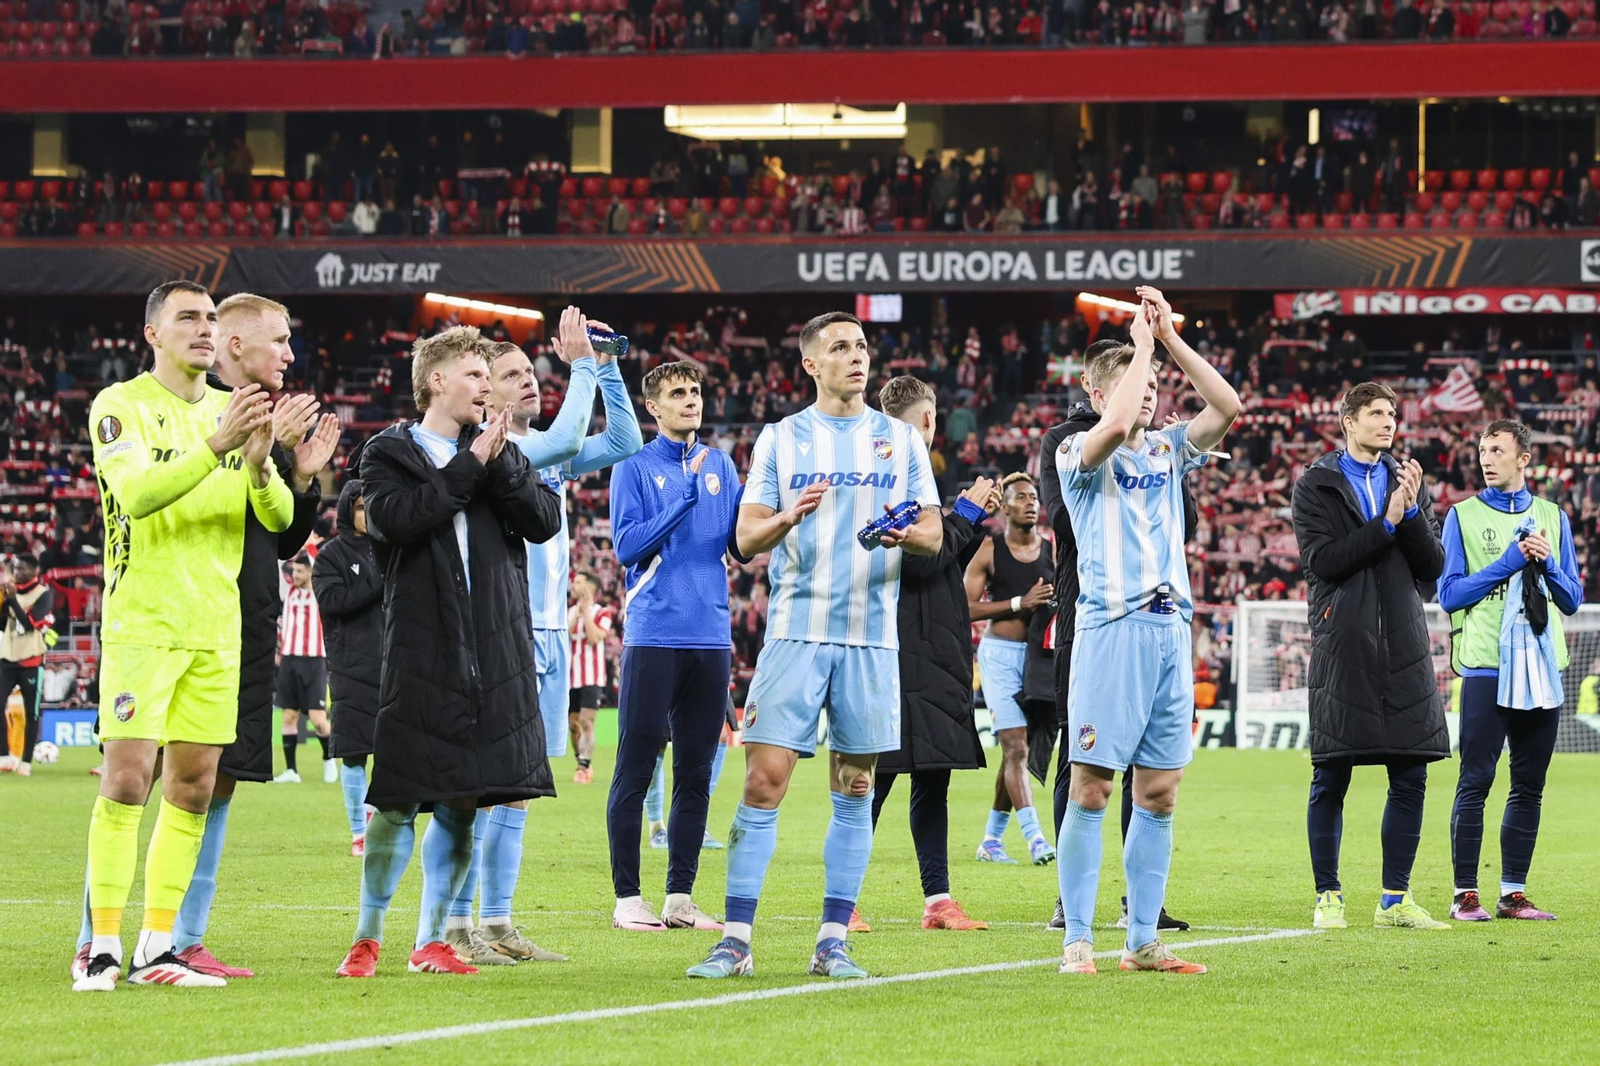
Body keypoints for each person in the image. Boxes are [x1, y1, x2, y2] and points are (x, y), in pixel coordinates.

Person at [72, 293, 335, 982]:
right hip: (145, 625)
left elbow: (276, 519)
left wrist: (263, 464)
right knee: (127, 781)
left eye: (211, 320)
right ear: (153, 332)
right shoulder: (119, 404)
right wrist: (219, 443)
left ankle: (159, 946)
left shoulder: (233, 413)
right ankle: (99, 946)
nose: (203, 330)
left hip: (219, 631)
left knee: (194, 787)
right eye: (190, 319)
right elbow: (133, 494)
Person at [687, 311, 943, 981]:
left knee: (855, 787)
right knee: (764, 781)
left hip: (869, 638)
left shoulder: (901, 440)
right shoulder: (782, 438)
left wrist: (902, 535)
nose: (855, 356)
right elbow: (744, 541)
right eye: (839, 347)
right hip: (797, 632)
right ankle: (735, 940)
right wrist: (787, 516)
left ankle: (833, 940)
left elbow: (935, 535)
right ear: (811, 364)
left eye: (860, 346)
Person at [335, 326, 563, 979]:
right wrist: (473, 466)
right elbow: (401, 519)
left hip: (493, 654)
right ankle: (368, 935)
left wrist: (502, 462)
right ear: (436, 380)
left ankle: (433, 939)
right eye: (473, 375)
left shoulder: (497, 450)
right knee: (399, 800)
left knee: (465, 801)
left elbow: (544, 520)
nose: (485, 388)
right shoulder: (387, 453)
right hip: (420, 652)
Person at [441, 311, 639, 967]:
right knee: (486, 784)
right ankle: (454, 923)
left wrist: (605, 369)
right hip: (504, 633)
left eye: (532, 371)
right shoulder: (500, 451)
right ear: (483, 392)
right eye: (512, 375)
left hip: (552, 636)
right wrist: (581, 364)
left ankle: (496, 922)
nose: (530, 381)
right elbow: (572, 438)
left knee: (521, 786)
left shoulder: (547, 448)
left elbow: (624, 441)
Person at [1053, 285, 1238, 977]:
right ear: (1099, 394)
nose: (1153, 393)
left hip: (1170, 630)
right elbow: (1117, 419)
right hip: (1112, 627)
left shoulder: (1168, 450)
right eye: (1140, 383)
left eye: (1158, 383)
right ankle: (1077, 938)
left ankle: (1140, 941)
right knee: (1092, 786)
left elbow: (1227, 407)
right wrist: (1139, 346)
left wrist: (1170, 342)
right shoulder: (1078, 452)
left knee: (1159, 793)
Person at [1291, 381, 1449, 932]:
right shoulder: (1317, 484)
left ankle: (1395, 900)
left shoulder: (1408, 480)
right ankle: (1328, 896)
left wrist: (1408, 515)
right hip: (1343, 645)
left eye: (1393, 414)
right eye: (1377, 413)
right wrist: (1386, 521)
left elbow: (1431, 565)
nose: (1389, 422)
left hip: (1404, 644)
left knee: (1411, 774)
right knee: (1331, 774)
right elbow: (1325, 561)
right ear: (1348, 420)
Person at [606, 360, 746, 932]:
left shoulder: (724, 466)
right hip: (653, 635)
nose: (691, 401)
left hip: (711, 637)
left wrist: (784, 518)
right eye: (677, 394)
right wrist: (682, 501)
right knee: (635, 769)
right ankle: (627, 899)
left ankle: (680, 897)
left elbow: (738, 544)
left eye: (695, 392)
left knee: (696, 771)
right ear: (653, 408)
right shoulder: (634, 468)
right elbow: (625, 545)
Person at [1440, 420, 1580, 922]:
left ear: (1524, 458)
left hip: (1542, 666)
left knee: (1529, 784)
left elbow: (1573, 600)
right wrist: (1508, 562)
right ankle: (1464, 894)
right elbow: (1450, 594)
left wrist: (1549, 565)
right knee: (1475, 779)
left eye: (1497, 450)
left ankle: (1513, 893)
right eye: (1482, 450)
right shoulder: (1462, 516)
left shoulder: (1553, 517)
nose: (1486, 458)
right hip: (1486, 665)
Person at [874, 375, 997, 932]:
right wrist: (967, 514)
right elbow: (919, 560)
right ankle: (843, 901)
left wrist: (964, 522)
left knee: (933, 778)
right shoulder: (886, 479)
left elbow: (939, 558)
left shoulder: (916, 483)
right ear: (927, 421)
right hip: (896, 647)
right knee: (871, 778)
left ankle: (937, 900)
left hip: (935, 645)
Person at [966, 473, 1056, 866]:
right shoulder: (989, 550)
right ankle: (1036, 838)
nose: (1030, 503)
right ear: (1004, 507)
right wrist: (1020, 602)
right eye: (1021, 497)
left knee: (1016, 752)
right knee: (1016, 746)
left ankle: (990, 840)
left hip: (1039, 659)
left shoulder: (1052, 549)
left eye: (1034, 497)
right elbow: (965, 607)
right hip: (999, 656)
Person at [313, 479, 384, 858]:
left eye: (371, 505)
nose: (367, 514)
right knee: (355, 752)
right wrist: (378, 584)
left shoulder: (391, 548)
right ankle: (358, 832)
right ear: (346, 511)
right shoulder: (330, 557)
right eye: (360, 507)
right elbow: (334, 601)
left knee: (392, 751)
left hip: (395, 663)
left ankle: (377, 822)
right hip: (351, 665)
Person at [272, 554, 331, 785]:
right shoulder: (289, 592)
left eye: (299, 571)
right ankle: (291, 771)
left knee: (318, 720)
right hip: (289, 660)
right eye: (293, 571)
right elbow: (279, 569)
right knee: (289, 715)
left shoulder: (321, 593)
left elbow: (317, 563)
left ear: (309, 572)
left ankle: (328, 760)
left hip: (315, 661)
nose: (294, 575)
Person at [0, 553, 56, 777]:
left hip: (31, 659)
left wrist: (12, 600)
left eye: (22, 568)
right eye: (16, 568)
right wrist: (5, 602)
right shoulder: (9, 592)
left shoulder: (43, 594)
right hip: (8, 657)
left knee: (32, 713)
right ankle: (5, 755)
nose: (18, 572)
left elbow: (30, 624)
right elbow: (4, 623)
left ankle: (25, 761)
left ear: (35, 571)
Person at [566, 570, 613, 784]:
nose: (572, 585)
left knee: (586, 721)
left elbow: (594, 638)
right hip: (570, 676)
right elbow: (565, 635)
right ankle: (582, 761)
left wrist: (585, 612)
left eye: (577, 582)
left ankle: (583, 766)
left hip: (592, 676)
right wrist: (578, 612)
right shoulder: (569, 611)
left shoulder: (602, 612)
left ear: (590, 588)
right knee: (573, 724)